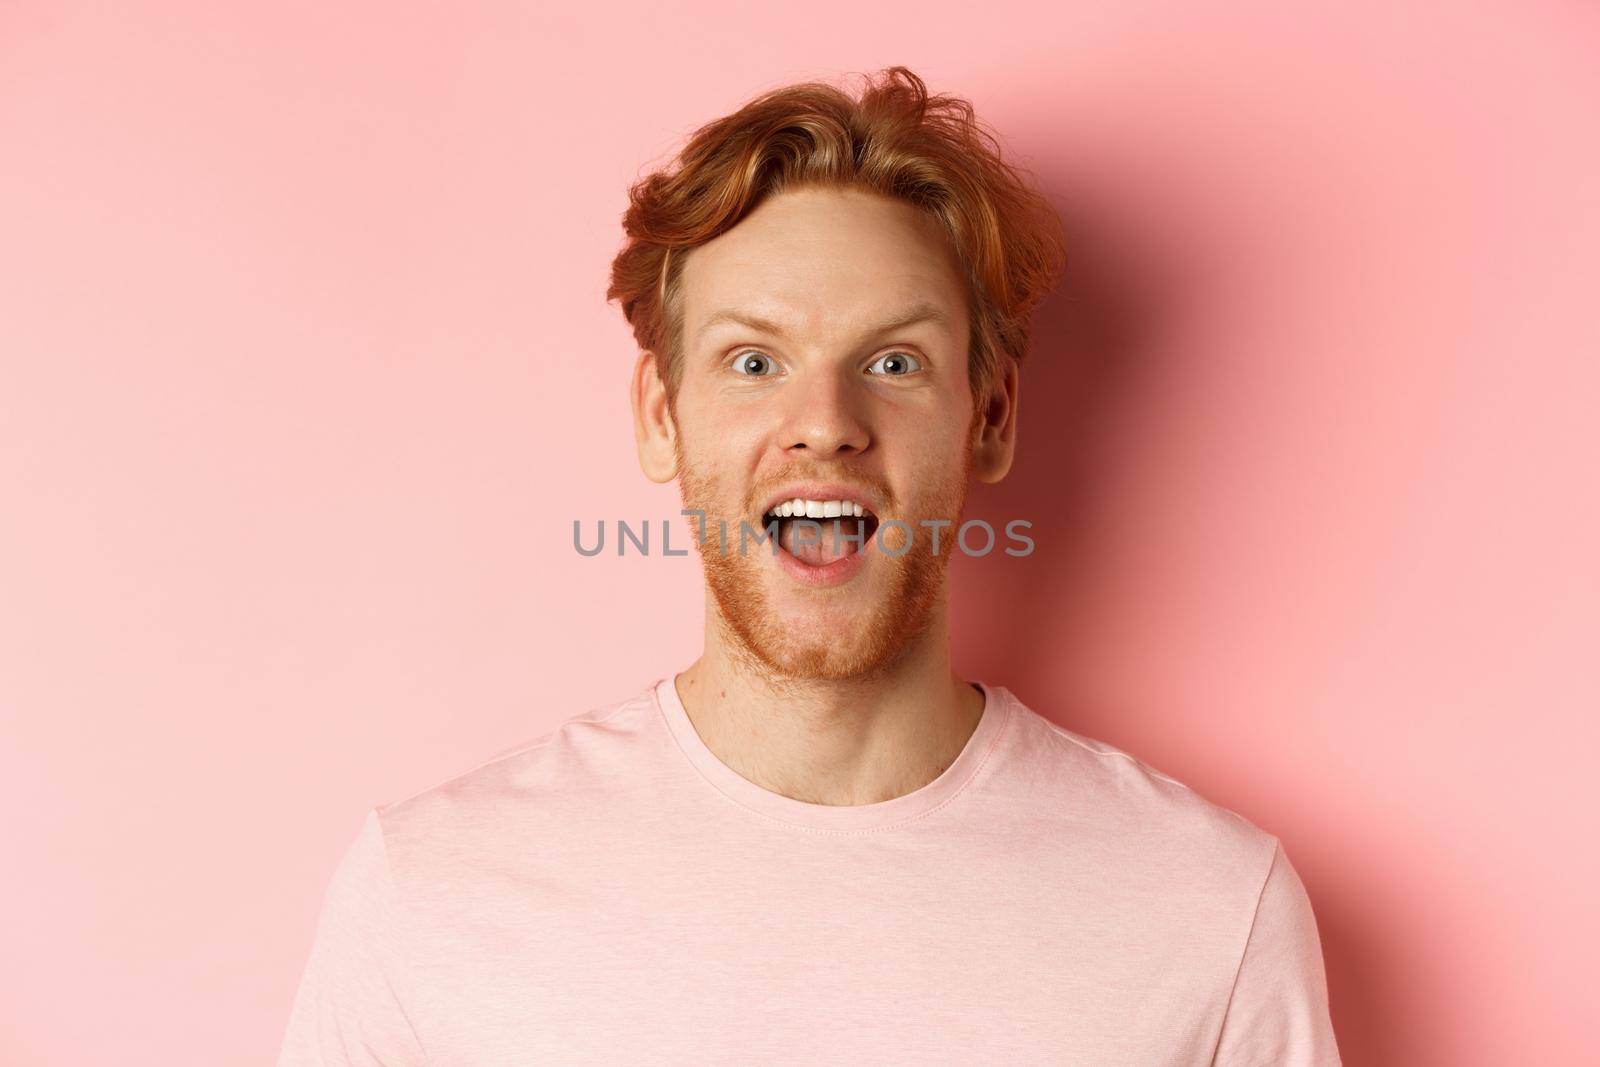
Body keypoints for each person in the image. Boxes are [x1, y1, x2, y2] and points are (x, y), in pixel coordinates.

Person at [278, 66, 1341, 1064]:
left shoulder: (1206, 906)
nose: (825, 425)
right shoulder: (430, 889)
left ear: (992, 416)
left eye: (893, 362)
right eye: (753, 360)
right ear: (662, 417)